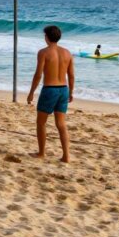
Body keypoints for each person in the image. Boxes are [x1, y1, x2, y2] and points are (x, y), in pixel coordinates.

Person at [27, 25, 75, 163]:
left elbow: (38, 75)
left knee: (41, 123)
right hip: (63, 89)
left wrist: (31, 93)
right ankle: (66, 155)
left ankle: (41, 153)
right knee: (61, 124)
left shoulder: (43, 52)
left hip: (50, 89)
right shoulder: (67, 53)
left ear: (47, 37)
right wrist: (71, 91)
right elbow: (71, 75)